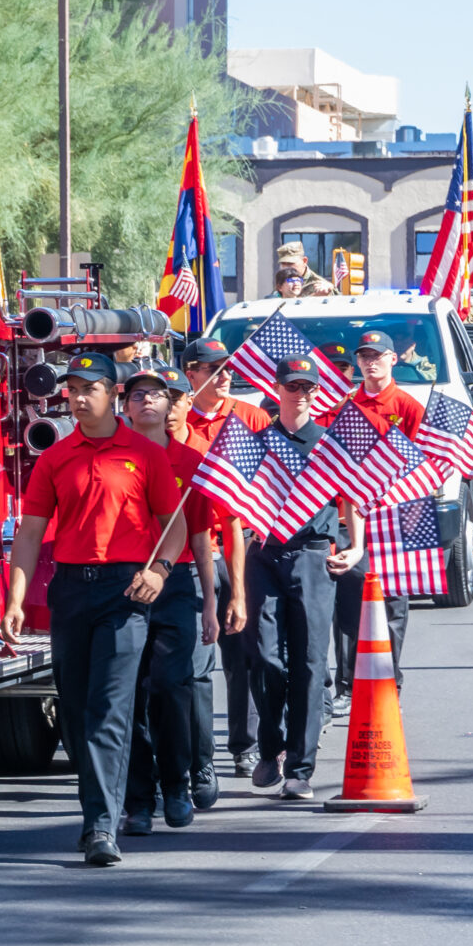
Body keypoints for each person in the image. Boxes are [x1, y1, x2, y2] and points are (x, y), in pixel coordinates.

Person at [4, 351, 189, 866]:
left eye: (90, 388)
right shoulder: (55, 458)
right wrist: (16, 596)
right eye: (73, 389)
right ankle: (101, 811)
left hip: (125, 593)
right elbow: (32, 532)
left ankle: (100, 825)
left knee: (109, 710)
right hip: (71, 591)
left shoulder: (144, 453)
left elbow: (173, 524)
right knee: (77, 714)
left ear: (113, 394)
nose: (79, 397)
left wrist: (160, 571)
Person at [244, 355, 365, 801]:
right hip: (266, 555)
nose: (301, 395)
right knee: (264, 656)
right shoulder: (257, 442)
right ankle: (270, 747)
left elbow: (354, 498)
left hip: (314, 556)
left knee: (311, 664)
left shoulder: (330, 445)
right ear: (277, 390)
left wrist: (356, 545)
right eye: (293, 387)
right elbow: (238, 497)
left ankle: (300, 767)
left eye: (308, 388)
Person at [117, 365, 225, 834]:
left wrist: (211, 601)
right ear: (125, 406)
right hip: (122, 586)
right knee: (131, 696)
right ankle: (140, 799)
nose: (147, 402)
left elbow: (201, 537)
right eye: (137, 394)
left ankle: (177, 786)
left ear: (171, 406)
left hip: (177, 585)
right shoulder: (111, 458)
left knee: (169, 688)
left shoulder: (191, 461)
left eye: (156, 395)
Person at [155, 343, 255, 797]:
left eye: (177, 400)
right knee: (151, 681)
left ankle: (203, 765)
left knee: (196, 674)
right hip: (141, 577)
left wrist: (232, 595)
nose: (171, 408)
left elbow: (224, 526)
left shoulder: (202, 456)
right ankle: (156, 773)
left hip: (200, 569)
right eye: (164, 399)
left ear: (186, 401)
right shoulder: (135, 451)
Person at [334, 331, 420, 704]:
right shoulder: (346, 405)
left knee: (392, 607)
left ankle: (389, 679)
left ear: (393, 359)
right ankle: (348, 685)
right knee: (349, 607)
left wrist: (412, 523)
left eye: (378, 356)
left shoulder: (409, 407)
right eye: (364, 356)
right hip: (348, 518)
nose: (371, 362)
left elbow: (421, 469)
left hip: (394, 520)